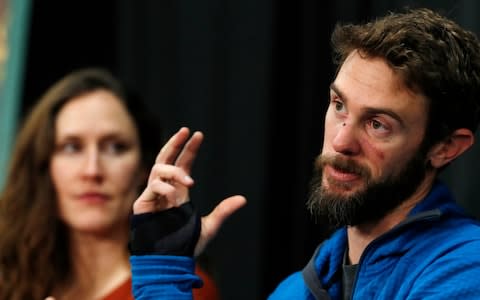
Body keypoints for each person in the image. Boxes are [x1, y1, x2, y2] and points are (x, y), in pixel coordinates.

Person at [128, 7, 480, 300]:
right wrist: (163, 268)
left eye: (378, 124)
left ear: (445, 147)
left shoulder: (465, 268)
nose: (342, 141)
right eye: (339, 105)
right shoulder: (296, 290)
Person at [0, 68, 219, 300]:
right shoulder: (8, 277)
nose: (92, 170)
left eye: (115, 147)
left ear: (144, 168)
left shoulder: (176, 287)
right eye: (72, 147)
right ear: (44, 166)